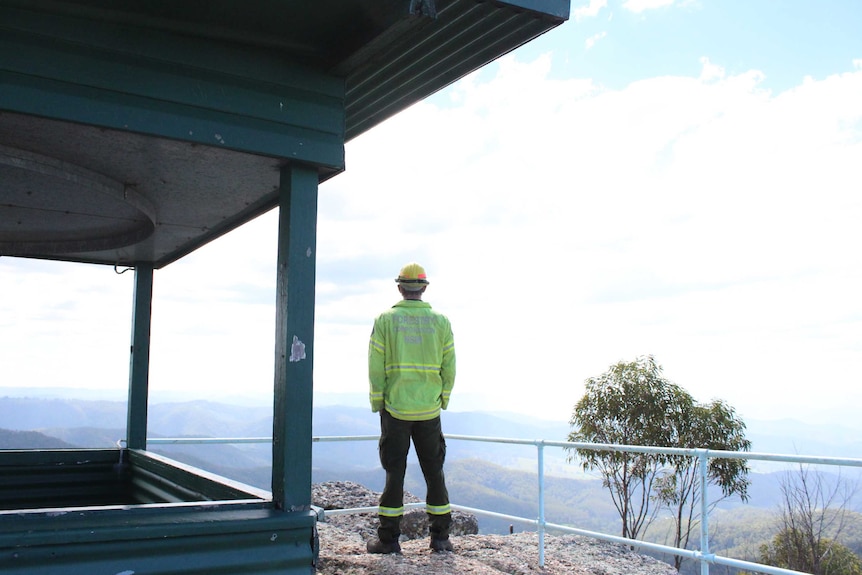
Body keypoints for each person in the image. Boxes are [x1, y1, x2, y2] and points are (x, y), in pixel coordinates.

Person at [366, 262, 456, 554]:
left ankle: (389, 540)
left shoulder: (385, 320)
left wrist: (378, 401)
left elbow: (375, 367)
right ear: (424, 288)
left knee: (395, 473)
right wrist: (442, 398)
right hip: (429, 411)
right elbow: (449, 366)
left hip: (396, 409)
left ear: (400, 288)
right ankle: (440, 538)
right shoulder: (441, 322)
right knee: (434, 472)